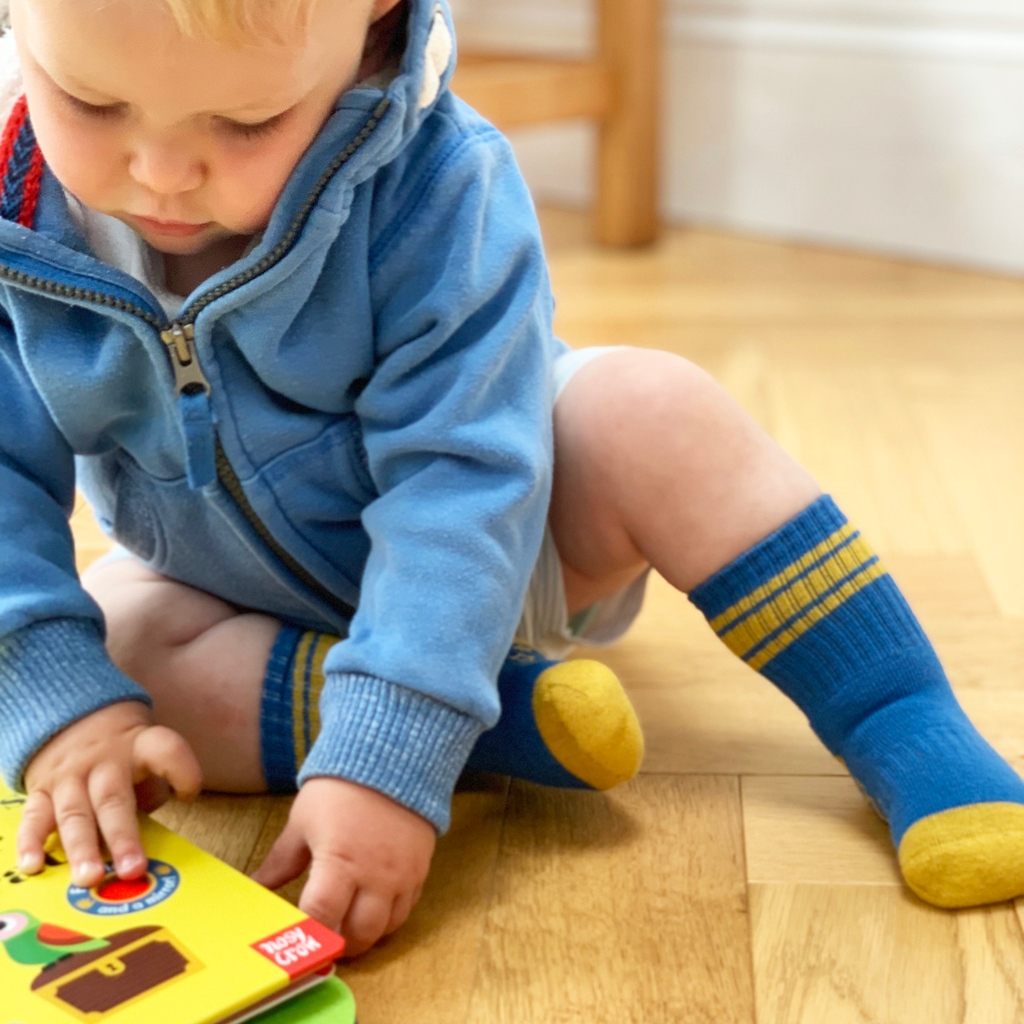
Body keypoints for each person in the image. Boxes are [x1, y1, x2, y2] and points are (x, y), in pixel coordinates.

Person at [1, 0, 1022, 961]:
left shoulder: (435, 183)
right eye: (90, 101)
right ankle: (503, 720)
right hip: (232, 599)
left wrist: (383, 759)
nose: (164, 171)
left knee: (649, 408)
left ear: (375, 15)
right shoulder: (18, 213)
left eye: (246, 120)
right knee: (111, 641)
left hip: (514, 541)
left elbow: (461, 476)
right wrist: (66, 707)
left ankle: (899, 714)